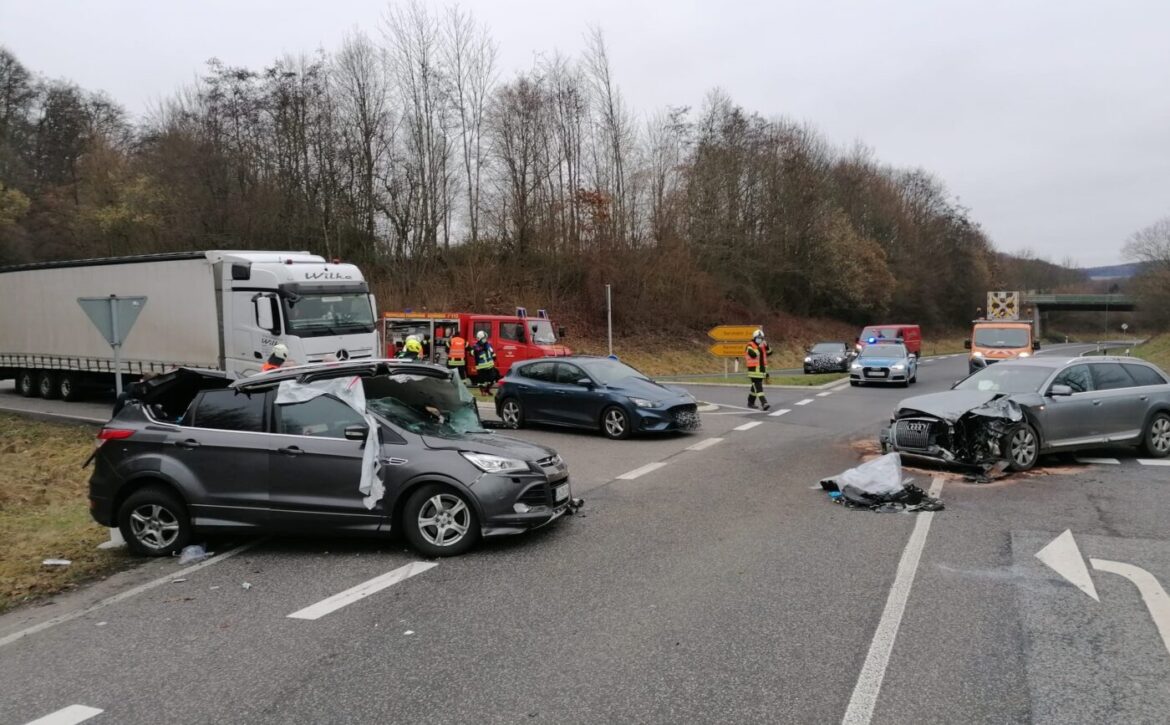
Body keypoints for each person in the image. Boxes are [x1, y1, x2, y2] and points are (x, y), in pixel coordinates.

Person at [744, 329, 772, 411]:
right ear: (754, 338)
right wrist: (759, 348)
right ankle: (764, 403)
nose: (760, 339)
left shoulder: (763, 345)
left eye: (761, 338)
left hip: (762, 371)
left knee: (754, 388)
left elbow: (770, 352)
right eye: (758, 338)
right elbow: (753, 354)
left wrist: (767, 346)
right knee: (759, 388)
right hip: (753, 371)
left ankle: (750, 402)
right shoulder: (750, 345)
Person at [470, 330, 498, 395]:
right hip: (481, 367)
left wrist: (494, 356)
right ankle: (482, 392)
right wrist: (478, 350)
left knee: (493, 378)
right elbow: (471, 353)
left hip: (490, 366)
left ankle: (487, 390)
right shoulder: (476, 346)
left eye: (486, 338)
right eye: (484, 338)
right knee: (481, 381)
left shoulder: (488, 345)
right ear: (479, 339)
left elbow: (492, 352)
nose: (485, 340)